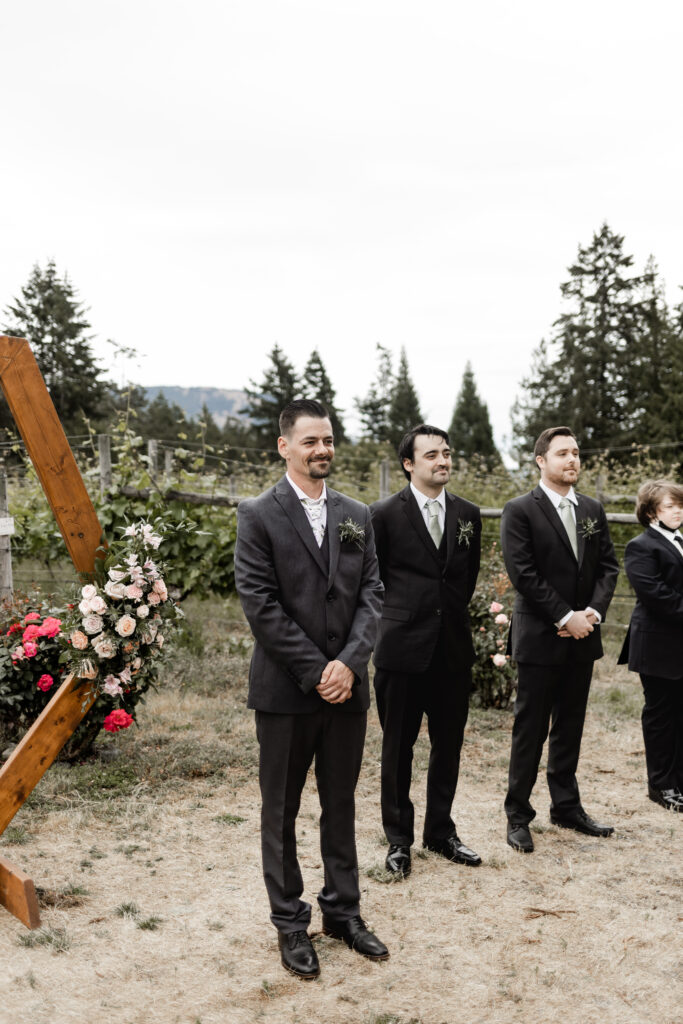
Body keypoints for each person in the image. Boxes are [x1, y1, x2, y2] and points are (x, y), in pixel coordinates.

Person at [233, 399, 388, 980]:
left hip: (348, 690)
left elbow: (372, 594)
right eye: (309, 442)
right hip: (285, 691)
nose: (322, 450)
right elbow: (261, 604)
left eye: (327, 440)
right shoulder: (258, 514)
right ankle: (290, 923)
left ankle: (343, 913)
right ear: (284, 447)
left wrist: (348, 664)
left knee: (341, 804)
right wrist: (317, 669)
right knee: (282, 809)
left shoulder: (357, 513)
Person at [370, 424, 482, 878]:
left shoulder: (469, 514)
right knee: (398, 749)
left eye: (447, 453)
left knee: (448, 746)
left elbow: (465, 578)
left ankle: (441, 831)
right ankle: (399, 841)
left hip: (453, 650)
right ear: (409, 463)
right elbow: (373, 582)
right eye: (432, 454)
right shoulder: (381, 515)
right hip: (401, 651)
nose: (443, 461)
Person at [500, 426, 619, 853]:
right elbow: (523, 572)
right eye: (563, 453)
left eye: (576, 452)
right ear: (541, 461)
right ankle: (518, 815)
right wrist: (564, 615)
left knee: (570, 726)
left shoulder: (591, 508)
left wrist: (593, 613)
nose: (572, 460)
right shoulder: (520, 510)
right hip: (540, 636)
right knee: (529, 729)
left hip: (583, 635)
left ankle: (566, 807)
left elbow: (608, 566)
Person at [618, 480, 683, 812]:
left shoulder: (681, 541)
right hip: (657, 646)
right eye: (670, 506)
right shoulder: (641, 546)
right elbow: (656, 596)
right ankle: (661, 786)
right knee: (661, 717)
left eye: (680, 505)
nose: (678, 511)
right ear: (650, 512)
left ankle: (679, 781)